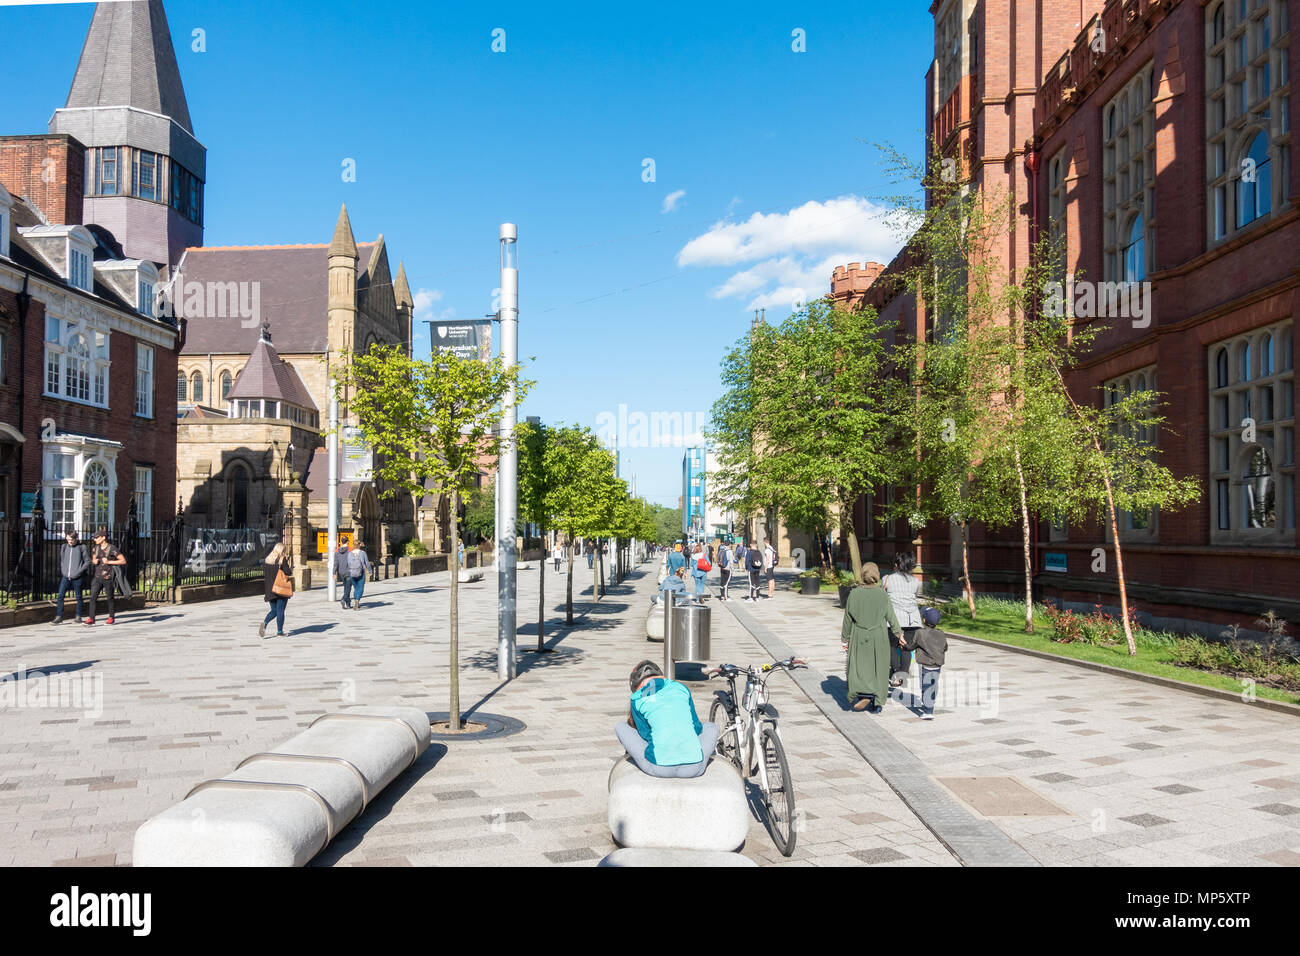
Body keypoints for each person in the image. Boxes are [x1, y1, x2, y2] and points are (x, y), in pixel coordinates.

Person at [615, 660, 717, 778]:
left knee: (621, 727)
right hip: (694, 768)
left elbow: (645, 734)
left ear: (637, 685)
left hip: (659, 768)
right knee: (711, 726)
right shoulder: (681, 688)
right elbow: (697, 728)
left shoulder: (637, 698)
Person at [841, 562, 901, 713]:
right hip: (878, 635)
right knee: (879, 667)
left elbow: (848, 618)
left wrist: (845, 637)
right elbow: (891, 616)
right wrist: (899, 633)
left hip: (859, 635)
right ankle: (877, 703)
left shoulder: (854, 594)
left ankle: (862, 695)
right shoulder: (882, 594)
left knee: (859, 666)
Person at [883, 552, 924, 687]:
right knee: (906, 648)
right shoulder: (915, 581)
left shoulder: (887, 579)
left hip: (893, 620)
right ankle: (903, 674)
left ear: (896, 565)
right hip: (912, 620)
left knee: (891, 646)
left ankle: (895, 673)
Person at [901, 606, 947, 720]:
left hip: (926, 664)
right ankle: (930, 703)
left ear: (924, 620)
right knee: (933, 684)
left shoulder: (919, 632)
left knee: (926, 686)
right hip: (937, 665)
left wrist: (903, 646)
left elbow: (912, 646)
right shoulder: (941, 633)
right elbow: (945, 647)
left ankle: (928, 710)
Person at [85, 528, 125, 625]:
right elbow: (94, 558)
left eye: (97, 537)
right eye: (94, 538)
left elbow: (123, 561)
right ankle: (91, 618)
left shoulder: (112, 548)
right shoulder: (96, 548)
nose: (95, 539)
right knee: (93, 597)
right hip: (97, 576)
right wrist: (94, 561)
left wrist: (109, 562)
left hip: (108, 576)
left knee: (110, 597)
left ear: (103, 537)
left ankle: (111, 617)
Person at [52, 530, 89, 625]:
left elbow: (87, 561)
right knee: (60, 596)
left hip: (77, 577)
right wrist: (63, 570)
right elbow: (62, 560)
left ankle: (78, 616)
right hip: (65, 576)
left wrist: (78, 572)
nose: (69, 541)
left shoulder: (81, 547)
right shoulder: (64, 547)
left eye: (71, 540)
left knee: (78, 597)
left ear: (76, 539)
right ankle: (59, 616)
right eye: (68, 539)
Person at [261, 542, 293, 638]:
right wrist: (290, 569)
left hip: (269, 590)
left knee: (274, 611)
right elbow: (287, 572)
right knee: (280, 610)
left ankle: (265, 623)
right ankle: (279, 631)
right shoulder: (281, 560)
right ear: (281, 551)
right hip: (280, 589)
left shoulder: (266, 560)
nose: (285, 553)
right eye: (284, 551)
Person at [347, 539, 371, 610]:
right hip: (361, 572)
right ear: (359, 545)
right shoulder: (363, 553)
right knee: (360, 588)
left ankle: (355, 601)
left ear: (353, 545)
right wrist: (370, 571)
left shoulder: (349, 553)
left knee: (356, 588)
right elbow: (367, 563)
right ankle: (357, 602)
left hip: (352, 573)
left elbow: (348, 563)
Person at [333, 541, 352, 608]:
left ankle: (348, 604)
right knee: (348, 587)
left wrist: (334, 572)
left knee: (346, 587)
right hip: (349, 571)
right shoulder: (350, 549)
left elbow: (335, 562)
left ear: (341, 542)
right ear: (348, 542)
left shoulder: (337, 550)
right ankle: (343, 599)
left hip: (341, 572)